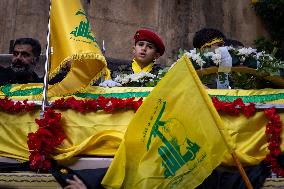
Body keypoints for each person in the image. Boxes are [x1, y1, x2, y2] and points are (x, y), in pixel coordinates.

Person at [100, 28, 165, 87]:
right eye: (141, 44)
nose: (144, 48)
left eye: (150, 47)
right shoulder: (118, 71)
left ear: (156, 55)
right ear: (134, 49)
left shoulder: (162, 74)